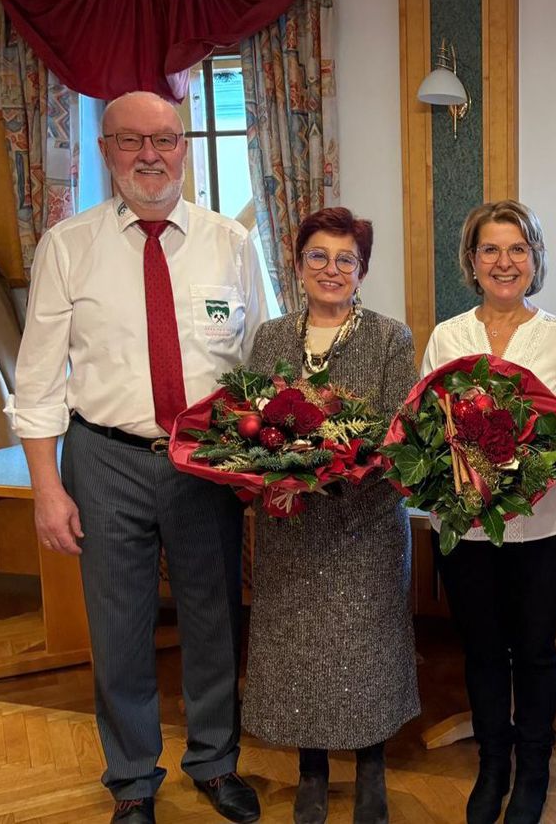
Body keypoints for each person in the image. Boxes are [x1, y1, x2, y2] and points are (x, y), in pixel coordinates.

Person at [5, 91, 267, 824]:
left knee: (214, 616)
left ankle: (215, 762)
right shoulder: (67, 245)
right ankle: (131, 780)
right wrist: (47, 489)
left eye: (163, 139)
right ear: (104, 149)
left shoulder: (230, 243)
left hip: (205, 458)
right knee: (118, 625)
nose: (149, 154)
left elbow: (256, 363)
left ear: (184, 147)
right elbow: (36, 379)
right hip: (105, 456)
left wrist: (253, 465)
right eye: (129, 140)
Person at [241, 207, 419, 824]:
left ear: (363, 270)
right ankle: (310, 772)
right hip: (289, 525)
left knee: (366, 650)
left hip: (363, 525)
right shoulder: (269, 338)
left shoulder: (390, 338)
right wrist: (279, 474)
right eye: (318, 255)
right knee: (298, 654)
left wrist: (346, 475)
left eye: (346, 259)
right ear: (297, 264)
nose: (331, 269)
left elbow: (401, 436)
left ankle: (372, 769)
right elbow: (252, 431)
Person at [420, 200, 556, 824]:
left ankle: (534, 769)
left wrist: (514, 484)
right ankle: (493, 765)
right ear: (471, 260)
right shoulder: (448, 336)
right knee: (483, 650)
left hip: (544, 525)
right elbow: (428, 426)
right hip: (464, 528)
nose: (504, 261)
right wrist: (471, 484)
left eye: (517, 249)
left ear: (534, 260)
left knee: (535, 650)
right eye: (490, 250)